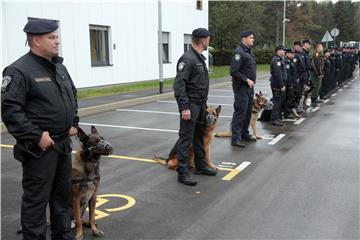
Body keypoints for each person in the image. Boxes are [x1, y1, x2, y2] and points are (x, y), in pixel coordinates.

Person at [1, 19, 79, 239]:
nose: (57, 41)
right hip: (40, 150)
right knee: (36, 203)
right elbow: (10, 110)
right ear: (35, 40)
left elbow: (72, 95)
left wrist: (73, 122)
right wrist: (36, 135)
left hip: (62, 146)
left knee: (61, 199)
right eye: (51, 37)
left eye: (57, 36)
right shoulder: (19, 70)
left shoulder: (59, 66)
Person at [173, 27, 217, 186]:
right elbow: (179, 85)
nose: (208, 42)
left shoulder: (198, 58)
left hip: (200, 104)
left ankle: (201, 165)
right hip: (190, 105)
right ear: (203, 40)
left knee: (199, 136)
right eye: (208, 39)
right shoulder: (188, 58)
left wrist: (204, 105)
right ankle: (182, 172)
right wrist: (184, 107)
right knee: (186, 138)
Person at [229, 30, 257, 148]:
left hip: (249, 88)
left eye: (253, 37)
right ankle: (235, 138)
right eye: (251, 37)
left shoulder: (248, 52)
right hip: (241, 88)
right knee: (240, 112)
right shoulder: (238, 52)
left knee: (247, 113)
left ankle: (244, 134)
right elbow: (234, 71)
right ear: (244, 38)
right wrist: (246, 79)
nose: (253, 39)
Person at [269, 46, 286, 126]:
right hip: (277, 84)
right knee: (276, 101)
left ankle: (277, 117)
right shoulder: (276, 60)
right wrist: (282, 85)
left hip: (278, 84)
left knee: (279, 101)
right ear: (278, 51)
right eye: (282, 50)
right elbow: (277, 74)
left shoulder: (280, 60)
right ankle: (274, 119)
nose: (284, 52)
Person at [283, 48, 299, 119]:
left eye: (293, 53)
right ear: (287, 53)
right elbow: (288, 75)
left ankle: (288, 112)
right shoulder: (286, 62)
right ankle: (287, 114)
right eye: (291, 53)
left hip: (292, 83)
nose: (293, 55)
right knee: (288, 99)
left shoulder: (291, 61)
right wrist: (290, 85)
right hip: (289, 84)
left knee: (291, 98)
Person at [309, 43, 324, 107]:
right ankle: (313, 98)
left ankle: (315, 97)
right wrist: (319, 74)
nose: (322, 48)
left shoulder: (319, 54)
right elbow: (316, 65)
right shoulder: (316, 54)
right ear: (317, 48)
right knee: (315, 85)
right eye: (321, 47)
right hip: (315, 73)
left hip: (317, 73)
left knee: (318, 85)